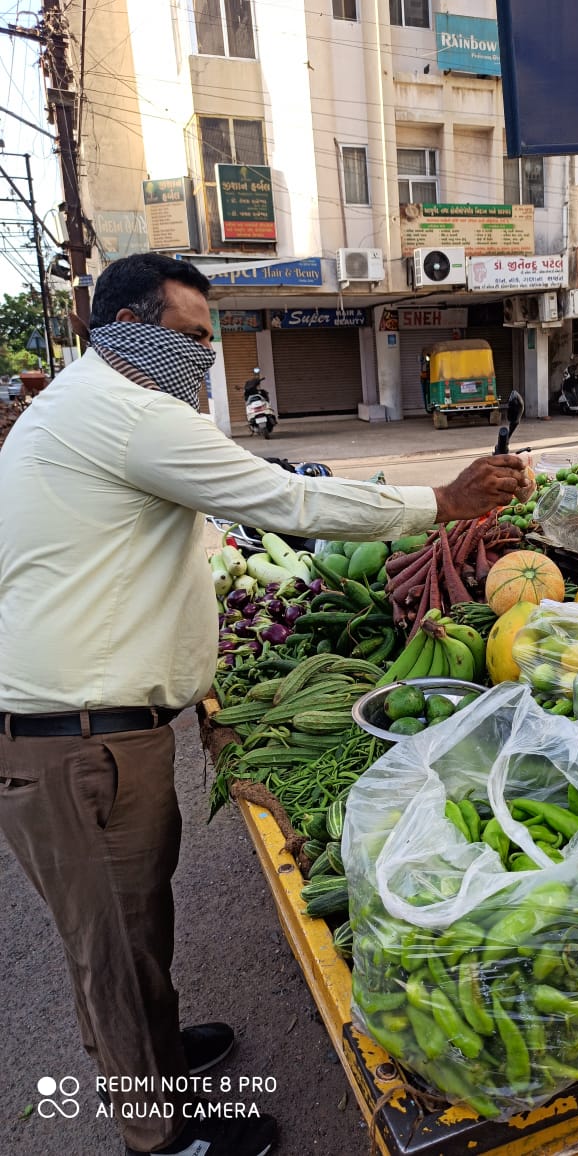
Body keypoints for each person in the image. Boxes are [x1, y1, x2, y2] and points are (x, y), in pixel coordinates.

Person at [0, 252, 528, 1156]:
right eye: (190, 338)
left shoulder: (94, 405)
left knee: (137, 921)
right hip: (74, 742)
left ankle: (158, 1060)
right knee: (112, 956)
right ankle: (160, 1136)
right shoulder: (123, 413)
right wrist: (439, 500)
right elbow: (283, 500)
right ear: (126, 327)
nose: (204, 359)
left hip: (98, 731)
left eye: (210, 342)